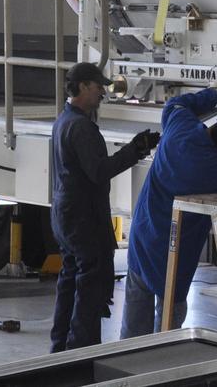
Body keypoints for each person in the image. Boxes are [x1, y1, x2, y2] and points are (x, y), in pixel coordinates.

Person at [120, 85, 217, 337]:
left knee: (135, 311)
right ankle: (163, 358)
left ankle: (127, 356)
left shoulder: (179, 129)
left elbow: (177, 104)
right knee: (169, 318)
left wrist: (216, 95)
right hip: (177, 248)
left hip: (146, 233)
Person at [50, 61, 159, 352]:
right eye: (98, 87)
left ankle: (60, 349)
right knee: (90, 284)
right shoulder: (81, 127)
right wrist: (136, 150)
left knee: (70, 280)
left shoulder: (63, 121)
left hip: (65, 215)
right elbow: (98, 172)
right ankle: (82, 353)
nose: (102, 92)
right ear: (83, 86)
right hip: (83, 217)